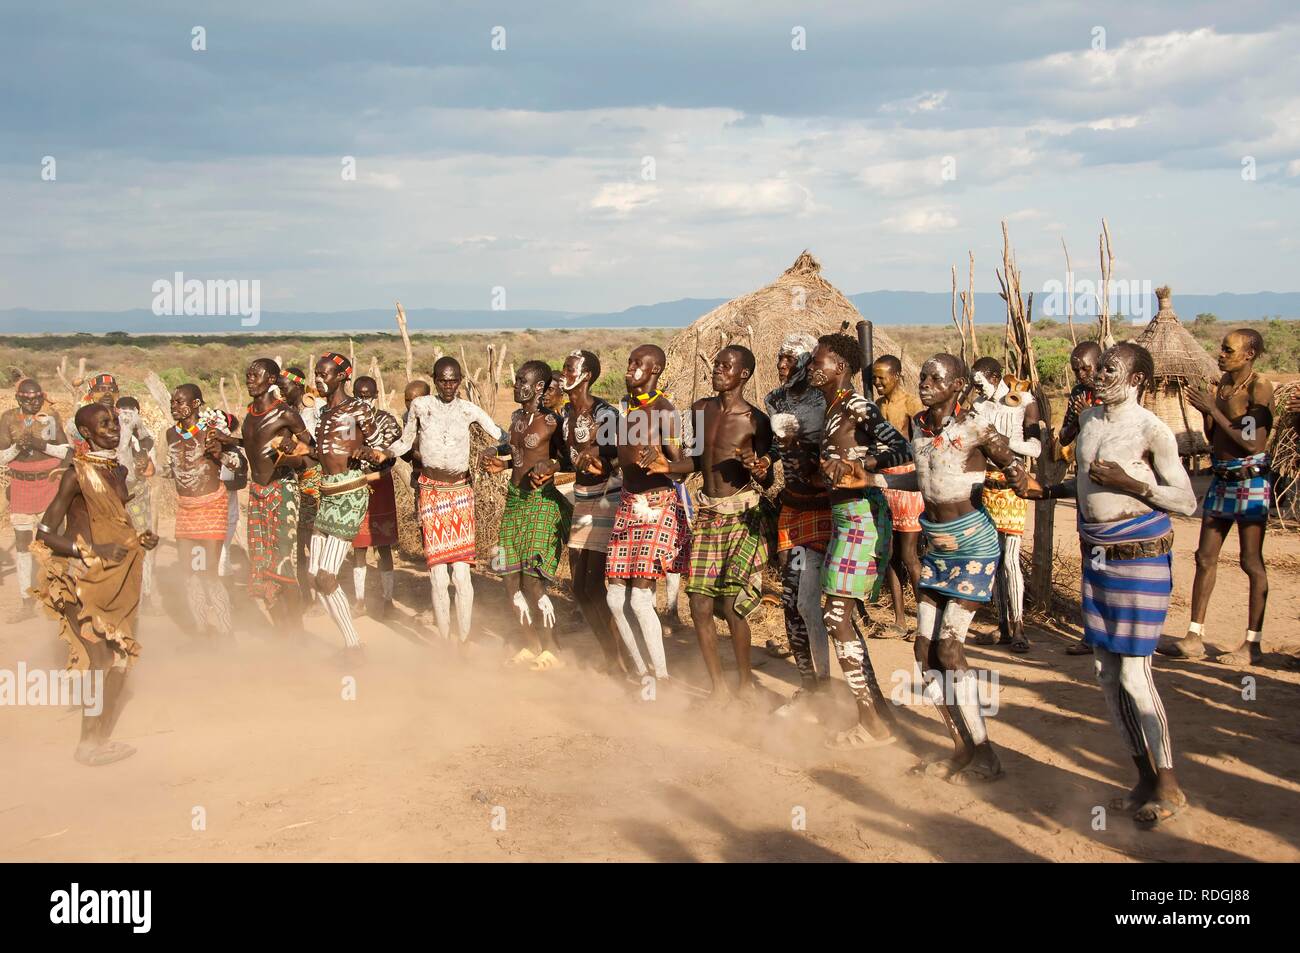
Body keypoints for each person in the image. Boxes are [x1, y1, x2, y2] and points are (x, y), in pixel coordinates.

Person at [1019, 343, 1196, 825]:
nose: (1097, 374)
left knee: (1137, 676)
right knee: (1107, 674)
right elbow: (1086, 486)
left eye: (1110, 369)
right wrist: (1044, 490)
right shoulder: (1092, 422)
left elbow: (1185, 502)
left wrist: (1132, 484)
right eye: (1099, 368)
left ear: (1136, 379)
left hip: (1140, 559)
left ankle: (1170, 785)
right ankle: (1142, 778)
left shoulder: (1152, 430)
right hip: (1097, 559)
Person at [907, 353, 1024, 782]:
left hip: (973, 546)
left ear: (957, 386)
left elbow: (1014, 467)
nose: (925, 382)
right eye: (923, 375)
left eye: (935, 377)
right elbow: (920, 479)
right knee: (923, 651)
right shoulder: (917, 429)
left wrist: (1013, 478)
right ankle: (961, 746)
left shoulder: (974, 426)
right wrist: (871, 480)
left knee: (950, 649)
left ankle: (987, 754)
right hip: (936, 548)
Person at [31, 402, 160, 765]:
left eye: (114, 421)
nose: (113, 428)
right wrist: (90, 550)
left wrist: (140, 540)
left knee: (117, 657)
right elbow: (44, 535)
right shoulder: (75, 474)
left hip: (115, 580)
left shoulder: (117, 471)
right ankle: (88, 744)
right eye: (103, 424)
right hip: (81, 578)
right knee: (96, 659)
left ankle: (100, 739)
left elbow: (115, 524)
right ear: (85, 433)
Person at [645, 345, 773, 703]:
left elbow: (767, 477)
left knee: (731, 604)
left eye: (725, 366)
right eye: (717, 364)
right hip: (708, 515)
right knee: (698, 604)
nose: (718, 370)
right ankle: (718, 689)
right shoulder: (702, 410)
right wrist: (668, 467)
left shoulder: (756, 421)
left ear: (743, 374)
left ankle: (746, 684)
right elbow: (697, 463)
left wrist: (758, 467)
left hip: (741, 515)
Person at [808, 333, 912, 748]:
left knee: (836, 619)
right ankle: (876, 714)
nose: (813, 367)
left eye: (820, 361)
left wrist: (859, 463)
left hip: (862, 519)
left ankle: (873, 725)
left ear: (841, 368)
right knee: (841, 619)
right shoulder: (832, 407)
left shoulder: (856, 405)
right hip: (845, 518)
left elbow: (902, 449)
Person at [1159, 329, 1274, 666]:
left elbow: (1252, 443)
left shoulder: (1259, 387)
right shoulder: (1222, 385)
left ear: (1249, 354)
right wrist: (1209, 411)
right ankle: (1194, 637)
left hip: (1249, 481)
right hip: (1222, 478)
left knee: (1250, 561)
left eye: (1228, 350)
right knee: (1204, 556)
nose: (1221, 354)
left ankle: (1252, 645)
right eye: (1222, 348)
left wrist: (1213, 408)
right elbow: (1215, 435)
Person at [379, 358, 508, 648]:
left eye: (453, 380)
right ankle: (444, 640)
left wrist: (494, 449)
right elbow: (404, 442)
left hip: (461, 492)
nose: (448, 386)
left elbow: (502, 435)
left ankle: (462, 640)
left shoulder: (468, 410)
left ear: (460, 380)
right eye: (443, 380)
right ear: (434, 379)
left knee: (461, 575)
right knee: (438, 575)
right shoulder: (421, 406)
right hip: (432, 493)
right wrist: (384, 452)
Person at [604, 344, 690, 692]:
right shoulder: (628, 411)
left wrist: (665, 464)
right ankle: (643, 674)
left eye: (638, 364)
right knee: (613, 599)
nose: (630, 369)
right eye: (629, 362)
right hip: (628, 504)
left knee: (639, 599)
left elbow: (685, 466)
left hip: (656, 505)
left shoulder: (664, 411)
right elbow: (623, 461)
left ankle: (662, 677)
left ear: (654, 370)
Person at [212, 359, 314, 630]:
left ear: (271, 379)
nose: (250, 380)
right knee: (261, 563)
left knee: (283, 562)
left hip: (282, 490)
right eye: (247, 375)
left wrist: (290, 451)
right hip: (256, 492)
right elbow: (253, 444)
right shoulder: (251, 412)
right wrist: (229, 441)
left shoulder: (286, 414)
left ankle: (297, 630)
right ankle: (281, 629)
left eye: (255, 376)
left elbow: (312, 452)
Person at [484, 361, 572, 669]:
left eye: (522, 380)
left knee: (533, 581)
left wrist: (550, 468)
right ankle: (530, 644)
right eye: (516, 379)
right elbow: (517, 450)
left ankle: (552, 651)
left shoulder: (553, 421)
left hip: (541, 502)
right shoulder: (517, 416)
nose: (516, 384)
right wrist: (499, 458)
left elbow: (568, 460)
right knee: (509, 577)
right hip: (515, 501)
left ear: (538, 387)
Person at [764, 334, 834, 720]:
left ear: (808, 362)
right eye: (779, 358)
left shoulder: (825, 402)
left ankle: (824, 690)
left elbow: (835, 450)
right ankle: (810, 688)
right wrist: (764, 461)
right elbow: (777, 446)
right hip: (791, 509)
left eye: (790, 358)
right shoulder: (775, 400)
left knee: (809, 604)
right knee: (791, 605)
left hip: (823, 509)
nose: (782, 365)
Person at [546, 350, 626, 673]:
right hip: (581, 499)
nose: (563, 373)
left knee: (593, 586)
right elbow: (567, 460)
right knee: (580, 588)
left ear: (586, 375)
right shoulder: (566, 415)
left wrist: (598, 464)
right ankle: (612, 656)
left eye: (569, 368)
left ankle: (620, 660)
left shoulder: (604, 413)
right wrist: (553, 464)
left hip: (607, 497)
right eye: (564, 367)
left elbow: (621, 458)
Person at [970, 356, 1042, 653]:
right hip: (987, 486)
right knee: (994, 560)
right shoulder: (978, 407)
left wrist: (1000, 442)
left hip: (1013, 486)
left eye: (980, 383)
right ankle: (1003, 625)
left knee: (1011, 559)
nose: (978, 389)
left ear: (994, 376)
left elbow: (1035, 447)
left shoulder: (1025, 402)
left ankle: (1019, 627)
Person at [163, 385, 237, 642]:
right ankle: (202, 631)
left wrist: (221, 455)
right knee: (190, 573)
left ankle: (227, 634)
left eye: (179, 402)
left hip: (211, 506)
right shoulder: (170, 434)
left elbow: (238, 465)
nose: (174, 406)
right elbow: (173, 467)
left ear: (195, 404)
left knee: (209, 573)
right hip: (186, 508)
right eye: (173, 402)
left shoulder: (211, 433)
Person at [0, 379, 71, 621]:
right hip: (20, 485)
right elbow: (1, 457)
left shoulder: (49, 417)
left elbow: (66, 452)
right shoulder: (9, 419)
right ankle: (25, 601)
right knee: (22, 544)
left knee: (53, 540)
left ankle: (58, 596)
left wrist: (40, 444)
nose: (33, 403)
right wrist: (17, 449)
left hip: (49, 484)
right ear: (19, 398)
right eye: (27, 399)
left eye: (37, 398)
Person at [872, 355, 925, 639]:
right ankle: (900, 619)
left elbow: (919, 443)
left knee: (908, 554)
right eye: (875, 379)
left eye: (883, 378)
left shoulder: (911, 404)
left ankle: (925, 622)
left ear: (897, 375)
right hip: (885, 483)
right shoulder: (877, 407)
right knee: (890, 554)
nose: (878, 383)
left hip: (906, 481)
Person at [349, 376, 403, 619]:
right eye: (359, 395)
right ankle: (360, 601)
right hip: (355, 485)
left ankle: (388, 601)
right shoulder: (349, 423)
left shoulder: (387, 421)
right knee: (358, 546)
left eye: (368, 395)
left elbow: (391, 455)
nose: (364, 400)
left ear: (376, 394)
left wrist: (372, 455)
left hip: (380, 484)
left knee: (383, 545)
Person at [281, 367, 321, 600]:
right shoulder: (290, 411)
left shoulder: (311, 410)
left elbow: (316, 449)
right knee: (300, 538)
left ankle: (315, 595)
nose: (282, 392)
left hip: (313, 477)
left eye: (284, 387)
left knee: (312, 538)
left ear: (297, 386)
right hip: (298, 479)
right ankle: (306, 594)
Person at [1059, 341, 1104, 449]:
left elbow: (1119, 437)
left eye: (1086, 369)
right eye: (1076, 370)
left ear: (1099, 363)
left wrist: (1090, 415)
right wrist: (1077, 420)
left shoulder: (1113, 393)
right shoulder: (1079, 393)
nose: (1081, 375)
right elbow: (1063, 439)